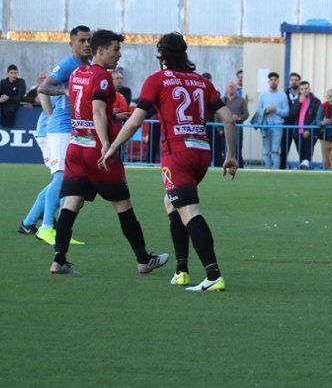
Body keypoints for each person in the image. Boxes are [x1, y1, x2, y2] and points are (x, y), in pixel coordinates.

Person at [102, 32, 239, 292]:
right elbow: (229, 119)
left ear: (161, 56)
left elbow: (134, 121)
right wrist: (231, 156)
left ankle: (213, 275)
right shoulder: (202, 82)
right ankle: (181, 270)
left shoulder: (157, 80)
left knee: (189, 211)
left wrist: (113, 147)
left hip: (177, 154)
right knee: (172, 202)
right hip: (202, 153)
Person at [48, 29, 168, 275]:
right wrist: (106, 144)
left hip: (76, 147)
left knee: (72, 202)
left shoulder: (78, 73)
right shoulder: (102, 77)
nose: (119, 55)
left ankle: (58, 259)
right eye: (116, 49)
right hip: (96, 150)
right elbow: (97, 111)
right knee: (123, 204)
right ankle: (143, 259)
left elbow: (86, 109)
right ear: (100, 50)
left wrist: (114, 115)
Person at [32, 25, 92, 245]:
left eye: (89, 40)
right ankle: (46, 227)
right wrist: (64, 91)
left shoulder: (86, 66)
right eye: (82, 41)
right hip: (61, 128)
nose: (86, 44)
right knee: (61, 177)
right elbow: (44, 88)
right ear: (72, 44)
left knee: (73, 179)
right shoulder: (68, 65)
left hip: (73, 128)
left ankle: (57, 230)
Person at [18, 91, 57, 235]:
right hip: (50, 134)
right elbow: (42, 90)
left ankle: (36, 218)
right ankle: (42, 218)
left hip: (52, 133)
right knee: (63, 179)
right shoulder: (65, 78)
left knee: (64, 180)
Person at [254, 72, 289, 169]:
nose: (273, 82)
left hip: (278, 125)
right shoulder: (262, 95)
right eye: (271, 80)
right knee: (266, 151)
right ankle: (268, 170)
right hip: (265, 126)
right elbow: (258, 111)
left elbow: (286, 112)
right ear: (268, 82)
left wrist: (276, 110)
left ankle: (275, 171)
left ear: (278, 82)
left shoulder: (283, 95)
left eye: (275, 80)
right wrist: (265, 110)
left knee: (275, 150)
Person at [215, 80, 249, 167]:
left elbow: (246, 114)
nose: (231, 88)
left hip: (238, 130)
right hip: (224, 130)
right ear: (226, 88)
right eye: (229, 86)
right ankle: (225, 167)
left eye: (233, 86)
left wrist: (238, 118)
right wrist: (219, 130)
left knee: (237, 150)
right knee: (224, 150)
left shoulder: (241, 100)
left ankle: (238, 168)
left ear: (236, 89)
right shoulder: (222, 100)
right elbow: (216, 116)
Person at [289, 81, 321, 169]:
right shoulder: (297, 100)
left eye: (306, 88)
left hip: (310, 131)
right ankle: (304, 170)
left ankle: (307, 166)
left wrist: (309, 130)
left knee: (307, 154)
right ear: (299, 90)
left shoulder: (316, 101)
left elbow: (317, 117)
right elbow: (291, 115)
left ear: (309, 89)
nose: (304, 91)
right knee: (301, 155)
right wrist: (299, 103)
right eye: (302, 89)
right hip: (297, 132)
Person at [280, 72, 301, 170]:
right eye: (292, 80)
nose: (294, 82)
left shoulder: (303, 95)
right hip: (286, 127)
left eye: (296, 80)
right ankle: (282, 170)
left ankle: (303, 171)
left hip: (299, 127)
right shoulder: (283, 95)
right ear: (289, 81)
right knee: (284, 151)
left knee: (301, 150)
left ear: (299, 82)